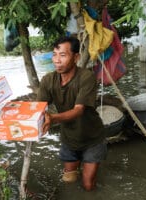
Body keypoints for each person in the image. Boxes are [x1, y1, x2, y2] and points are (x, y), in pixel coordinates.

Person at [37, 36, 107, 191]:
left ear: (76, 57)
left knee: (88, 185)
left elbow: (78, 110)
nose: (57, 60)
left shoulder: (86, 77)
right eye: (54, 55)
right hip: (69, 139)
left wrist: (52, 118)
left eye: (63, 55)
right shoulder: (48, 80)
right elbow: (38, 108)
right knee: (69, 179)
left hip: (92, 139)